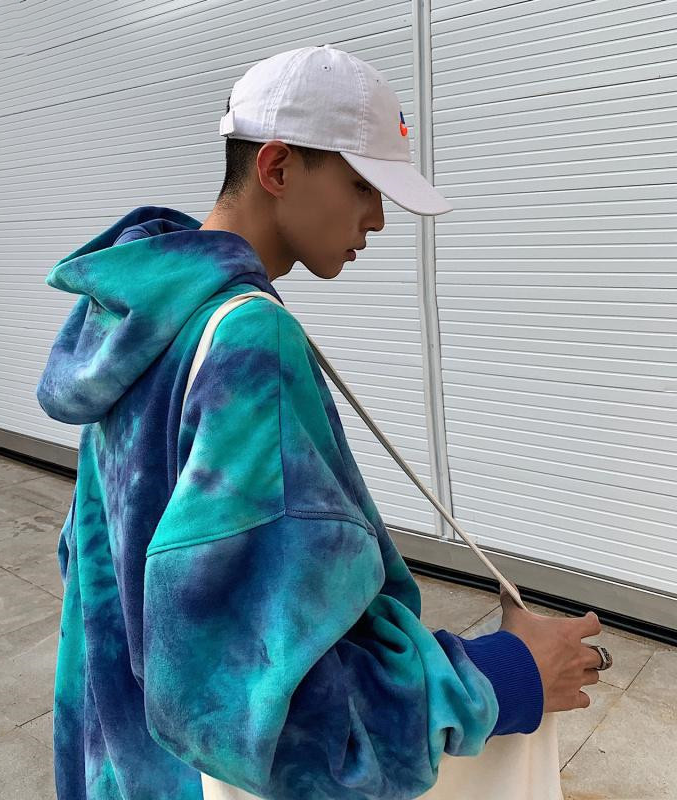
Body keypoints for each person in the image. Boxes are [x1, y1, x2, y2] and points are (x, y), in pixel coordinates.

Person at [35, 45, 606, 800]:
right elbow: (264, 720)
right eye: (362, 185)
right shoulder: (248, 343)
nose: (378, 218)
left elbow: (95, 571)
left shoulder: (138, 319)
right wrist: (509, 673)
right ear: (277, 168)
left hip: (118, 767)